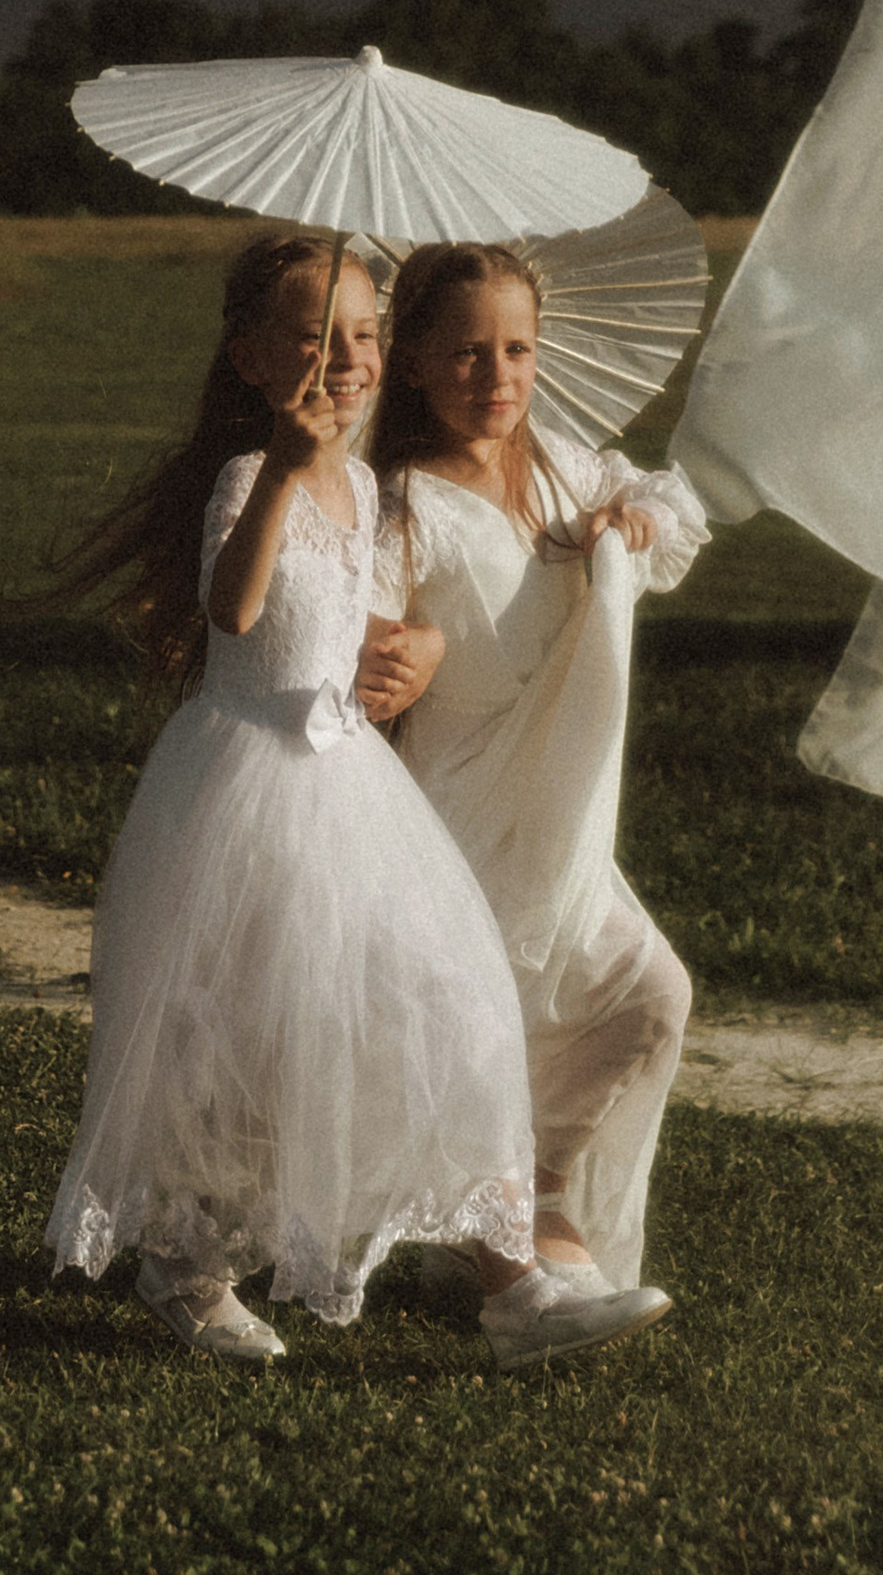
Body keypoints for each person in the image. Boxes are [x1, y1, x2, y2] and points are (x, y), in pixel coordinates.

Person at [43, 230, 668, 1371]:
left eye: (366, 337)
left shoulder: (365, 479)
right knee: (240, 1035)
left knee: (447, 1005)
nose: (347, 359)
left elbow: (361, 621)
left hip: (349, 785)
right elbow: (231, 613)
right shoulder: (255, 474)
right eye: (317, 337)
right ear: (248, 357)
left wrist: (407, 645)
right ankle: (185, 1262)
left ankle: (512, 1282)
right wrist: (280, 467)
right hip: (247, 785)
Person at [370, 242, 706, 1307]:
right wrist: (393, 643)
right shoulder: (399, 500)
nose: (496, 374)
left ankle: (543, 1183)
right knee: (474, 1024)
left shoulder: (564, 466)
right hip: (460, 809)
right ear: (410, 361)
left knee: (647, 995)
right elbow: (355, 615)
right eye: (466, 352)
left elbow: (668, 496)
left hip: (562, 810)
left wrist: (635, 520)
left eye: (516, 348)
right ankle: (492, 1233)